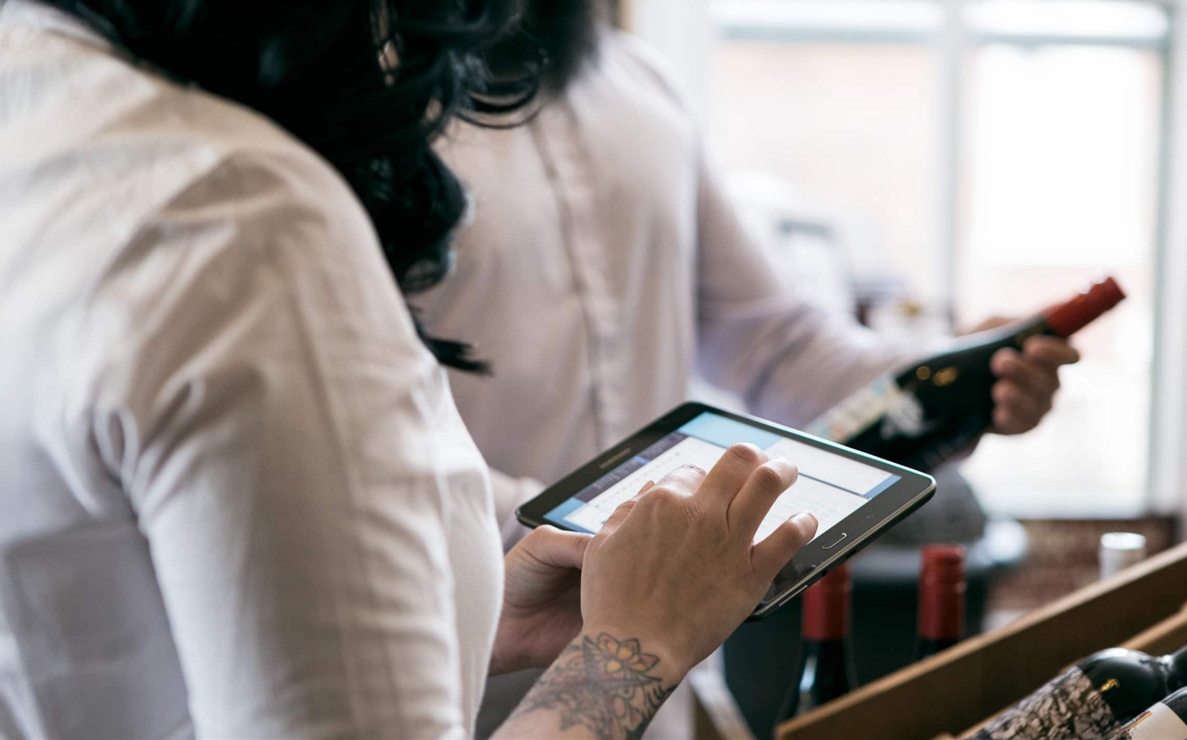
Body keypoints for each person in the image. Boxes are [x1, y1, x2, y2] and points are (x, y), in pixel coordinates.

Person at [0, 1, 820, 737]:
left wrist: (473, 617)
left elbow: (135, 627)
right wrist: (634, 646)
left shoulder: (47, 97)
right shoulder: (244, 224)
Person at [421, 1, 1080, 734]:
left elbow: (773, 341)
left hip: (655, 669)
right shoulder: (364, 121)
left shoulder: (641, 85)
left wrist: (946, 379)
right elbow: (366, 444)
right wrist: (625, 541)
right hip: (459, 665)